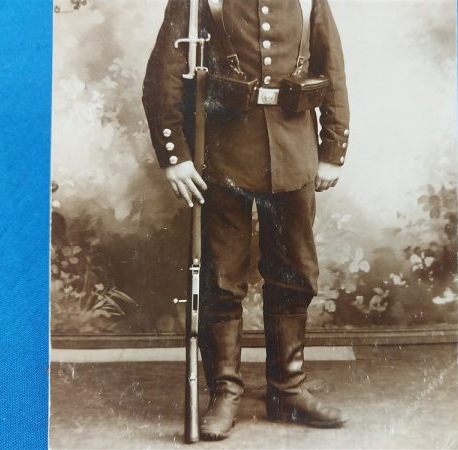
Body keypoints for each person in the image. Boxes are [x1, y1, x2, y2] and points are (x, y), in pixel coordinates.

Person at [143, 0, 350, 441]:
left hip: (294, 152)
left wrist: (333, 150)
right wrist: (175, 158)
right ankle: (225, 393)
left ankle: (287, 391)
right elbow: (161, 79)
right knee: (222, 277)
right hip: (220, 158)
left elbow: (332, 69)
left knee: (296, 273)